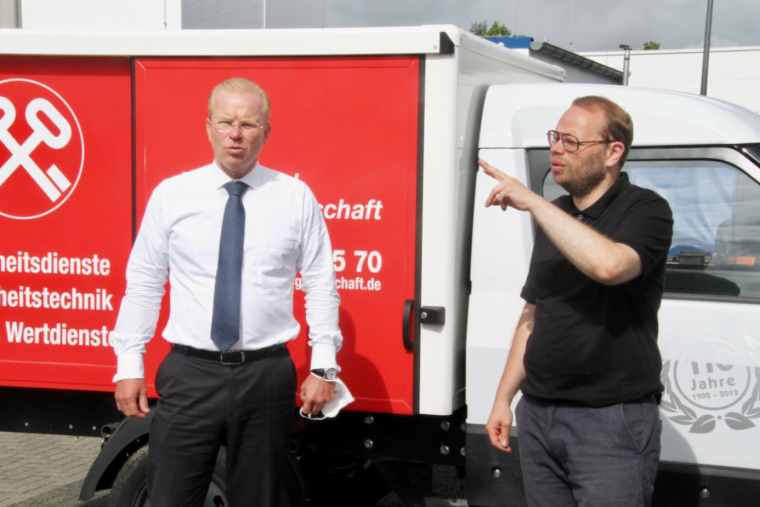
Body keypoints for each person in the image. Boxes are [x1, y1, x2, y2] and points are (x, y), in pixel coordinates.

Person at [111, 77, 342, 506]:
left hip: (266, 375)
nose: (236, 134)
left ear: (266, 131)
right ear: (208, 127)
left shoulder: (295, 198)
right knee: (170, 498)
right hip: (189, 374)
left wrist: (325, 367)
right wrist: (129, 363)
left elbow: (321, 284)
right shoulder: (173, 195)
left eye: (249, 124)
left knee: (260, 499)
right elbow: (143, 283)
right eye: (226, 122)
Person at [482, 96, 673, 507]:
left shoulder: (647, 209)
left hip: (610, 421)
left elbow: (610, 266)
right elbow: (534, 313)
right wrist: (503, 399)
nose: (556, 149)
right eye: (555, 138)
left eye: (571, 141)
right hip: (539, 414)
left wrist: (531, 201)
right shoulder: (556, 214)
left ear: (613, 152)